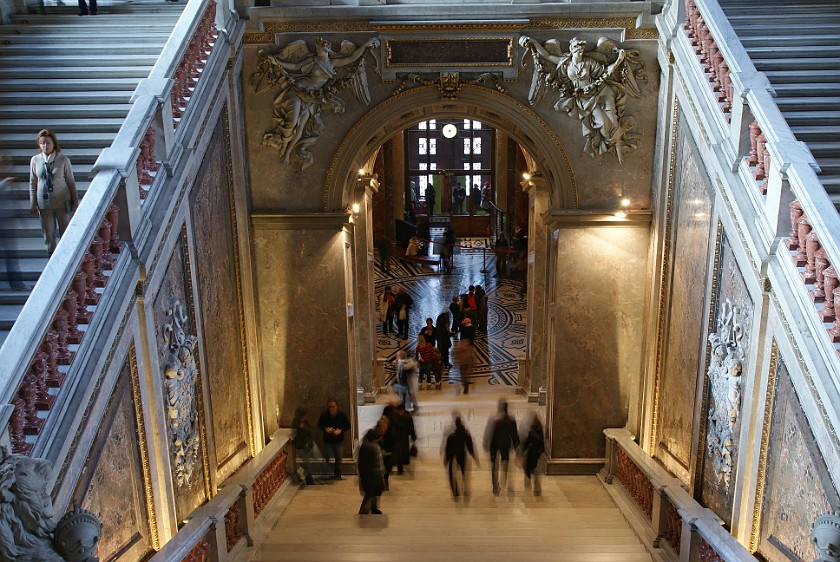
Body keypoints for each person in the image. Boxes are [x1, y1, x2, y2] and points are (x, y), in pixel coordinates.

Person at [254, 37, 380, 167]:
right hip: (298, 92)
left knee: (300, 128)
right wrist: (277, 62)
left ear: (329, 48)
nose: (323, 46)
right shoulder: (313, 60)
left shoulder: (333, 63)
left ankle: (287, 153)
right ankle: (284, 145)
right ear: (317, 48)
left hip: (313, 98)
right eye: (320, 45)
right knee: (291, 122)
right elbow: (295, 66)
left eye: (325, 44)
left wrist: (365, 45)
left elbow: (353, 58)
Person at [518, 35, 642, 164]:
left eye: (581, 49)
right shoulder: (565, 63)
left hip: (603, 92)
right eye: (576, 49)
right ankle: (612, 142)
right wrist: (533, 42)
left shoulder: (589, 62)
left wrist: (618, 61)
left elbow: (605, 71)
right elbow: (547, 56)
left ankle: (618, 147)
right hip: (584, 99)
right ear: (571, 49)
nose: (579, 51)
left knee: (613, 119)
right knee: (603, 125)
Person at [29, 130, 78, 256]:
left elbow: (71, 182)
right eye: (42, 143)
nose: (45, 146)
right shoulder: (35, 160)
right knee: (48, 233)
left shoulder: (63, 160)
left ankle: (67, 256)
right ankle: (51, 256)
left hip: (62, 200)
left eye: (48, 143)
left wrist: (75, 201)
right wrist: (33, 202)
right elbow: (33, 182)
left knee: (65, 231)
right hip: (44, 202)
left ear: (54, 144)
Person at [484, 399, 519, 495]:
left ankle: (495, 485)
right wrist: (516, 446)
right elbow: (515, 435)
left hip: (494, 445)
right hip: (505, 445)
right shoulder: (511, 420)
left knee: (494, 466)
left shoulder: (494, 419)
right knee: (505, 463)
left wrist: (485, 443)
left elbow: (489, 433)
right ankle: (504, 480)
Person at [443, 415, 478, 498]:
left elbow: (447, 449)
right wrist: (474, 456)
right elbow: (470, 446)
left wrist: (446, 459)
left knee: (451, 475)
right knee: (464, 474)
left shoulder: (451, 437)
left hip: (453, 457)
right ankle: (465, 489)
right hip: (462, 456)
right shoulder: (466, 434)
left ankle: (456, 492)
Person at [291, 406, 327, 485]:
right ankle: (309, 479)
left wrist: (310, 442)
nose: (306, 417)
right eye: (305, 415)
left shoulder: (306, 423)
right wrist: (303, 445)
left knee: (319, 459)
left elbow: (309, 433)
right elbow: (296, 438)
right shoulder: (295, 425)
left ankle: (322, 475)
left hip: (309, 443)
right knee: (306, 464)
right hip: (301, 447)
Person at [317, 398, 351, 479]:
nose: (331, 408)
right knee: (326, 458)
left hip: (339, 441)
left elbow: (347, 425)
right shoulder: (324, 415)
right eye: (330, 407)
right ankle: (325, 474)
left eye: (333, 406)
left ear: (337, 407)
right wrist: (325, 429)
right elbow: (319, 424)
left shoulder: (342, 415)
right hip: (328, 440)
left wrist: (340, 430)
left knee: (338, 459)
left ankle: (337, 475)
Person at [357, 428, 386, 515]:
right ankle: (363, 511)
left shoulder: (364, 446)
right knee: (371, 494)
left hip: (366, 475)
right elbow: (379, 465)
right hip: (374, 476)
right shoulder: (374, 448)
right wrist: (382, 475)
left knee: (373, 493)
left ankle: (374, 508)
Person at [521, 413, 546, 495]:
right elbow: (542, 441)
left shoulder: (531, 429)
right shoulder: (540, 428)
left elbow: (527, 441)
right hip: (537, 453)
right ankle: (537, 488)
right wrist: (542, 450)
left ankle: (528, 483)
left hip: (531, 452)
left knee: (528, 467)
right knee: (536, 471)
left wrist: (522, 450)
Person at [390, 403, 416, 476]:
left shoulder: (407, 416)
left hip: (403, 439)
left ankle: (400, 469)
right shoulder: (395, 415)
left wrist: (413, 437)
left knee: (400, 454)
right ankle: (398, 468)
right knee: (397, 454)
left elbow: (412, 428)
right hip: (397, 438)